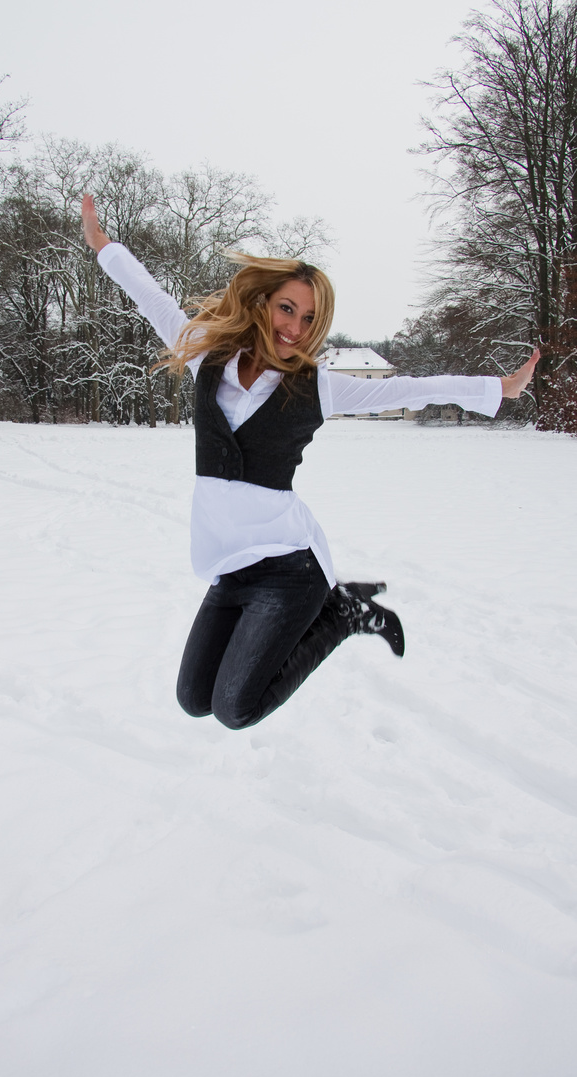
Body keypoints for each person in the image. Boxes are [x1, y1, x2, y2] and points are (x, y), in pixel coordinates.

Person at [82, 194, 539, 731]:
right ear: (263, 302)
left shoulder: (317, 386)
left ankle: (342, 613)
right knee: (193, 698)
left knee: (236, 709)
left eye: (308, 317)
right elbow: (152, 299)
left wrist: (497, 389)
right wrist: (104, 247)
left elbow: (410, 387)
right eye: (287, 308)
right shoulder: (210, 355)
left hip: (287, 570)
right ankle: (331, 610)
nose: (295, 327)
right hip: (229, 567)